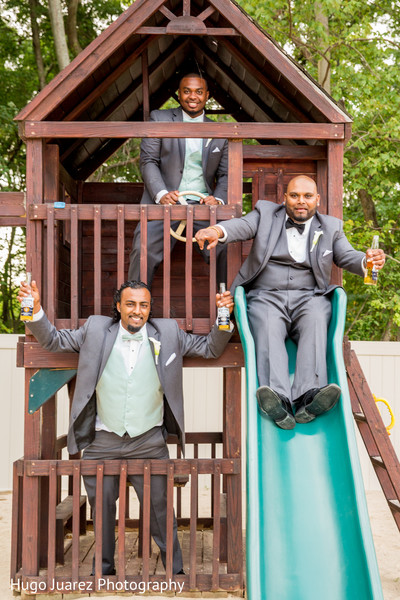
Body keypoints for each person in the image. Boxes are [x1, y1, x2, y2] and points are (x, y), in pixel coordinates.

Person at [18, 279, 234, 575]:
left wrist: (223, 317)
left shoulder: (168, 333)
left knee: (161, 511)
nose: (137, 311)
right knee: (102, 512)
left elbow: (210, 349)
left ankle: (176, 572)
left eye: (143, 305)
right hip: (103, 440)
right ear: (118, 306)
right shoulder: (95, 330)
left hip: (149, 441)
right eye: (130, 304)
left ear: (149, 309)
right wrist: (37, 312)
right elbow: (54, 341)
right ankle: (103, 571)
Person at [195, 175, 385, 430]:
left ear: (317, 199)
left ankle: (309, 398)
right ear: (284, 198)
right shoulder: (265, 214)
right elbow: (241, 226)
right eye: (294, 195)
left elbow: (348, 256)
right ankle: (277, 399)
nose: (301, 202)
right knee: (268, 322)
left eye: (307, 196)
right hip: (266, 294)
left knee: (318, 317)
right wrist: (216, 230)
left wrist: (367, 260)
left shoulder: (331, 227)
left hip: (309, 297)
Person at [128, 73, 228, 287]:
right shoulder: (159, 119)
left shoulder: (219, 132)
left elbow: (226, 174)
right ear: (178, 95)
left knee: (224, 247)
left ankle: (226, 314)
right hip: (165, 204)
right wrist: (162, 195)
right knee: (142, 248)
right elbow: (148, 161)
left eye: (199, 92)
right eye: (187, 91)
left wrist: (217, 200)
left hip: (203, 206)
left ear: (207, 96)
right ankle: (135, 309)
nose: (193, 96)